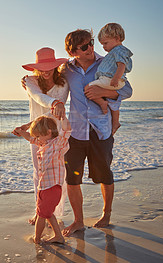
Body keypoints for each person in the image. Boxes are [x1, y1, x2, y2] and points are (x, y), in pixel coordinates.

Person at [22, 29, 132, 237]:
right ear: (73, 52)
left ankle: (106, 214)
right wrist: (30, 81)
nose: (90, 48)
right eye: (84, 47)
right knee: (72, 180)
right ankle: (79, 221)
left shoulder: (106, 63)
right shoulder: (67, 70)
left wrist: (104, 92)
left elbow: (127, 91)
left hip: (101, 129)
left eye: (90, 43)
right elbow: (50, 78)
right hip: (75, 131)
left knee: (104, 175)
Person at [19, 47, 69, 225]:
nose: (46, 72)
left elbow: (54, 111)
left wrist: (57, 104)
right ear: (36, 68)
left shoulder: (63, 83)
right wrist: (55, 103)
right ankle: (40, 211)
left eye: (50, 67)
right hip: (37, 131)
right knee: (38, 172)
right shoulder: (30, 81)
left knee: (57, 175)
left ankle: (54, 212)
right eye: (43, 68)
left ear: (56, 66)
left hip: (56, 133)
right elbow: (38, 97)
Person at [13, 115, 71, 244]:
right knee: (47, 213)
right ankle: (58, 236)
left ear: (49, 132)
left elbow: (67, 130)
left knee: (41, 215)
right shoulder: (43, 143)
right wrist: (21, 131)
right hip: (43, 186)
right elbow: (30, 138)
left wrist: (62, 117)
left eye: (39, 136)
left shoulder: (58, 143)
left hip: (52, 187)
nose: (37, 139)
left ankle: (37, 239)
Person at [86, 23, 133, 134]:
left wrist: (115, 79)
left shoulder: (118, 51)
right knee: (113, 103)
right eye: (102, 44)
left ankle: (102, 103)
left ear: (117, 39)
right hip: (112, 81)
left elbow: (122, 65)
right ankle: (116, 122)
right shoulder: (114, 53)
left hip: (112, 80)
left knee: (88, 88)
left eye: (105, 43)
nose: (103, 47)